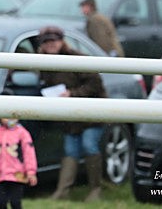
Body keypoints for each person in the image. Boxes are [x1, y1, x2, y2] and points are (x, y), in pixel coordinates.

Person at [37, 26, 107, 202]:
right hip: (70, 116)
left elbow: (95, 85)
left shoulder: (78, 59)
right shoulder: (42, 62)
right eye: (46, 41)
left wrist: (72, 93)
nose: (50, 44)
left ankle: (95, 190)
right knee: (70, 151)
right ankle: (62, 192)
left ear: (61, 41)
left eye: (53, 40)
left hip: (91, 113)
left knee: (89, 145)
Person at [0, 116, 38, 209]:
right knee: (0, 202)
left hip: (17, 176)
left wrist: (31, 172)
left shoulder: (22, 133)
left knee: (15, 202)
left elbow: (29, 154)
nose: (9, 119)